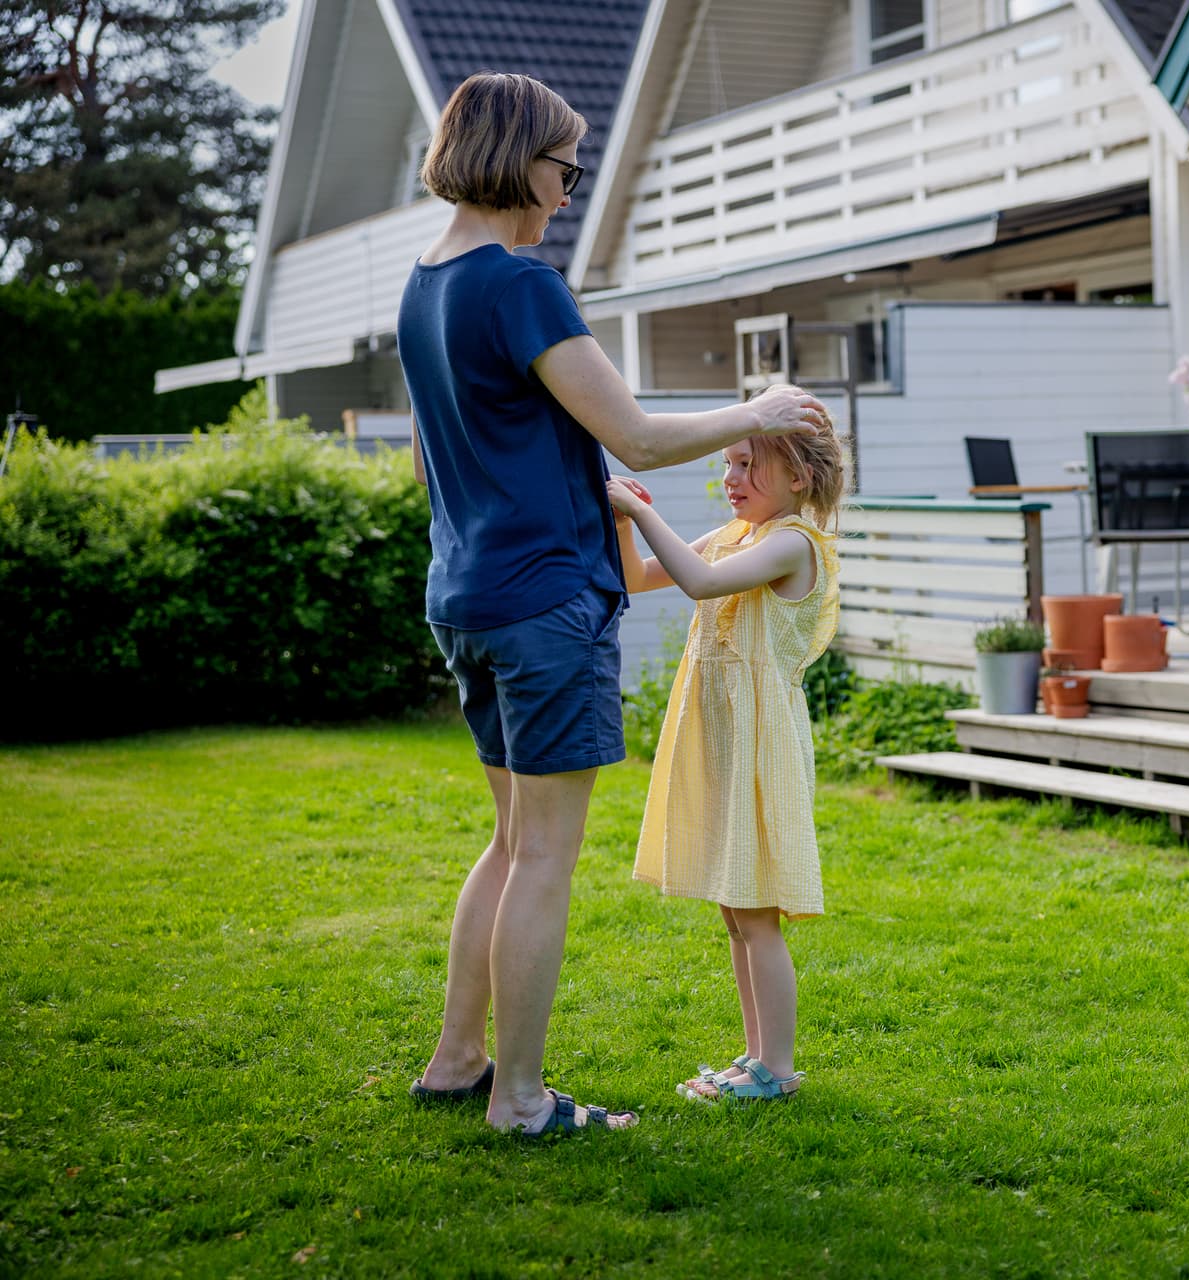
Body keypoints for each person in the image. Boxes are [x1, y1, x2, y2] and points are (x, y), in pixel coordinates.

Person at [397, 71, 829, 1137]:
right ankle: (524, 1100)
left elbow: (429, 463)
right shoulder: (518, 282)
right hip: (544, 605)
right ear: (515, 158)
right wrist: (760, 407)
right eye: (563, 168)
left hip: (465, 595)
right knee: (542, 852)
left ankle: (459, 1060)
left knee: (507, 841)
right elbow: (633, 436)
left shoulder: (423, 286)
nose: (567, 191)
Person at [604, 427, 844, 1103]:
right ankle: (756, 1055)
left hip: (760, 746)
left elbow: (700, 582)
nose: (731, 478)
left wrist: (645, 511)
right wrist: (627, 522)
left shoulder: (792, 542)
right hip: (724, 742)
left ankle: (781, 1068)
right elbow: (637, 577)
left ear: (799, 477)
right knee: (735, 910)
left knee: (757, 912)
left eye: (746, 465)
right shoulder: (739, 534)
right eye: (728, 465)